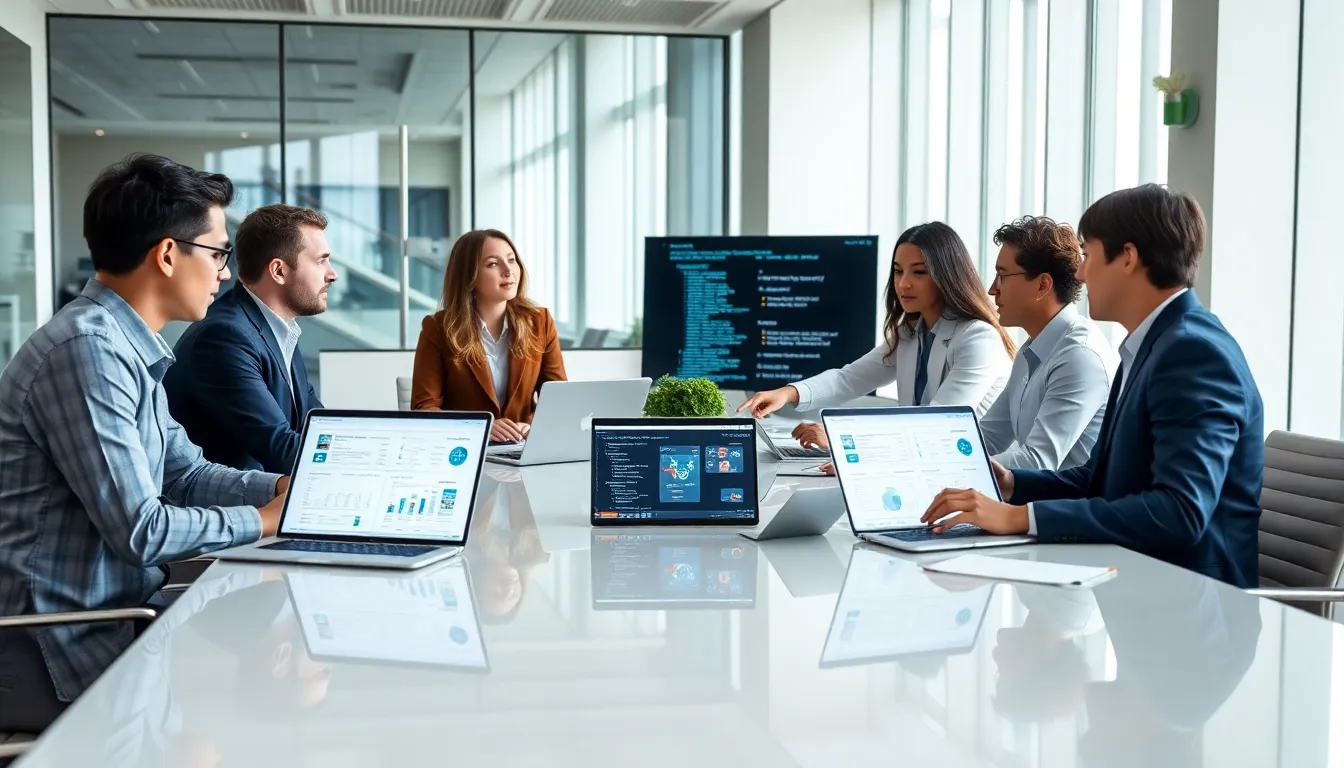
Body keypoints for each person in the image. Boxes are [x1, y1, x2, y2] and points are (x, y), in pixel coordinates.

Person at [0, 153, 288, 727]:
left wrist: (283, 485)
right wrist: (266, 520)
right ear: (166, 254)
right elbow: (142, 529)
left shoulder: (130, 346)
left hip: (119, 618)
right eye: (218, 253)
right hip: (60, 644)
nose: (226, 273)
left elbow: (186, 474)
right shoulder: (87, 351)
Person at [922, 184, 1264, 588]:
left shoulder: (1193, 352)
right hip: (1138, 588)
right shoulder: (1150, 345)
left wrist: (1021, 517)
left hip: (1190, 608)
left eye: (1087, 255)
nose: (1080, 273)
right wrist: (1013, 484)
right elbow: (1098, 479)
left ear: (1128, 259)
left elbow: (1180, 512)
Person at [739, 221, 1015, 452]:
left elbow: (936, 424)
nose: (903, 283)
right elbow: (849, 379)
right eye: (898, 271)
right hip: (922, 467)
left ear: (947, 276)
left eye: (918, 272)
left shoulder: (978, 339)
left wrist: (843, 440)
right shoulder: (911, 334)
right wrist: (787, 393)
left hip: (968, 481)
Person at [164, 204, 336, 473]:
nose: (332, 273)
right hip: (228, 508)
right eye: (320, 261)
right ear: (278, 271)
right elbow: (281, 449)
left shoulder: (279, 329)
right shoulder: (225, 337)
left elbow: (317, 425)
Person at [980, 216, 1119, 470]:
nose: (992, 289)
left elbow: (1037, 462)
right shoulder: (1032, 350)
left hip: (1066, 507)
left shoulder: (1079, 356)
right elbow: (988, 437)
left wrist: (954, 470)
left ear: (1042, 285)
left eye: (1002, 276)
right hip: (1034, 502)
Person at [411, 229, 567, 443]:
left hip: (522, 450)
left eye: (512, 260)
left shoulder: (540, 321)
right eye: (493, 264)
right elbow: (424, 409)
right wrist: (480, 426)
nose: (508, 270)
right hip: (463, 450)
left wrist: (530, 425)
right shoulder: (437, 328)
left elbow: (558, 399)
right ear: (469, 276)